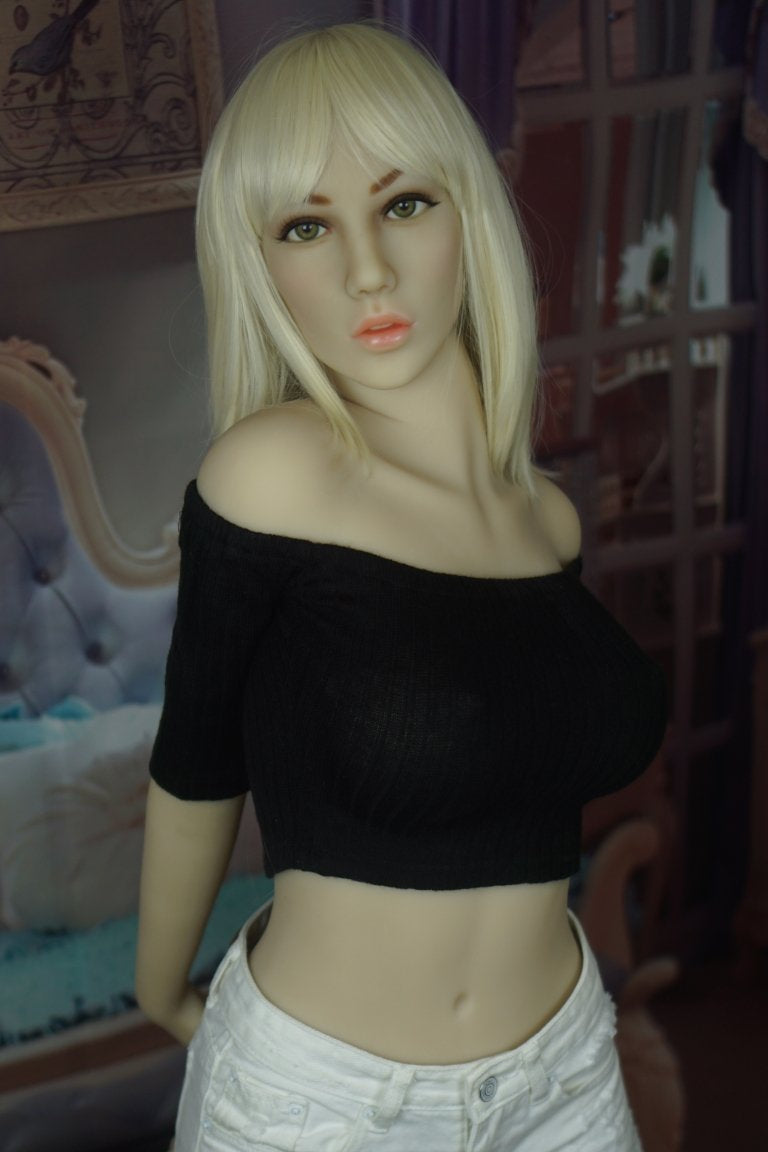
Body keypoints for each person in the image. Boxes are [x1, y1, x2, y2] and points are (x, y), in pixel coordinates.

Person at [136, 20, 667, 1152]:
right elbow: (197, 758)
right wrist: (159, 983)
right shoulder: (271, 475)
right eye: (306, 225)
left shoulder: (547, 521)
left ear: (468, 210)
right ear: (259, 260)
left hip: (566, 1073)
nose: (366, 270)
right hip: (324, 1102)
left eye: (405, 204)